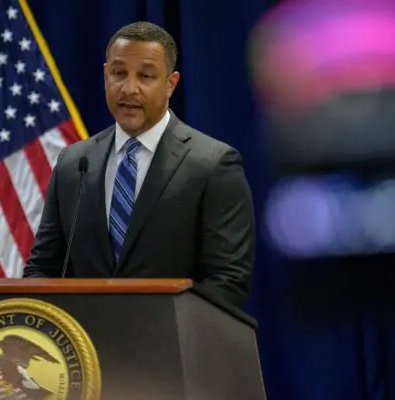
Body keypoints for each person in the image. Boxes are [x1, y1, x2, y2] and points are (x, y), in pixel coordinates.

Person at [23, 21, 255, 306]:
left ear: (171, 84)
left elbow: (227, 282)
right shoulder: (74, 162)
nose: (129, 89)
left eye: (145, 76)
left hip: (170, 344)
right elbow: (42, 269)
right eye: (119, 74)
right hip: (84, 344)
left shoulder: (213, 164)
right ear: (106, 75)